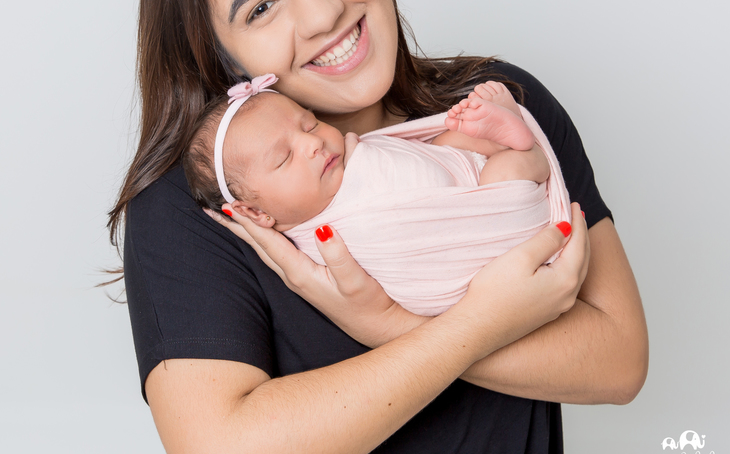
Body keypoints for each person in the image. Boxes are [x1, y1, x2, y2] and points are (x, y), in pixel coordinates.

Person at [109, 0, 648, 454]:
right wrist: (477, 324)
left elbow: (617, 359)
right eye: (261, 7)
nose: (323, 12)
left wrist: (389, 326)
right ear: (224, 56)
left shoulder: (494, 111)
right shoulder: (204, 206)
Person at [181, 75, 565, 316]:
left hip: (456, 167)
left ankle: (500, 134)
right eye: (284, 157)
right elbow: (405, 267)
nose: (312, 143)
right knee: (506, 172)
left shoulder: (347, 154)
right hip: (481, 218)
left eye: (309, 123)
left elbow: (409, 148)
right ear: (255, 212)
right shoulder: (322, 242)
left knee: (450, 135)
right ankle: (524, 152)